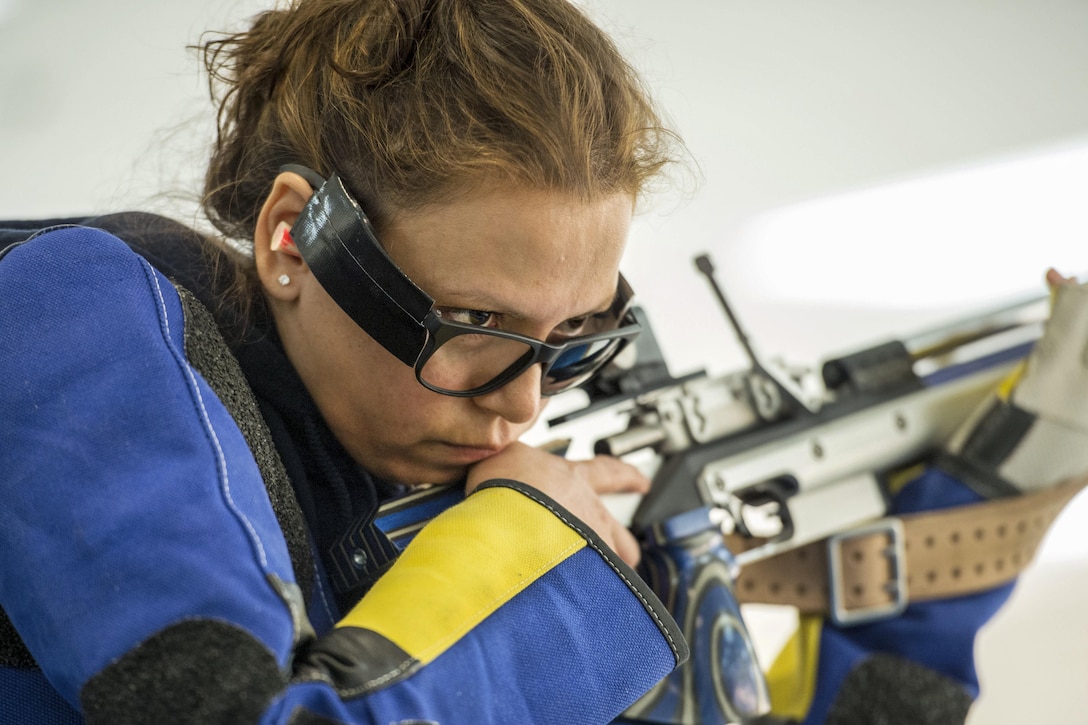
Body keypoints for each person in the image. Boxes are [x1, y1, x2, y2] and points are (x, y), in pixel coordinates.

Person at [0, 0, 688, 722]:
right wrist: (530, 554)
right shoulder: (69, 310)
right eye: (475, 319)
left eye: (577, 328)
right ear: (293, 237)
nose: (523, 406)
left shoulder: (359, 451)